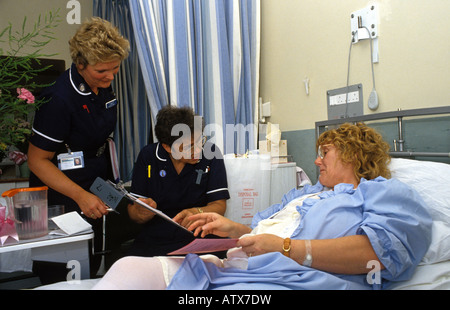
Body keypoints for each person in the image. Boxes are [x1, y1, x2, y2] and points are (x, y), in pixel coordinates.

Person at [93, 123, 432, 290]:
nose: (316, 160)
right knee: (126, 269)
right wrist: (233, 230)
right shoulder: (304, 195)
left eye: (324, 153)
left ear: (354, 154)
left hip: (296, 280)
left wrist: (286, 249)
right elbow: (266, 233)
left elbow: (379, 256)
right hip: (238, 266)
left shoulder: (384, 194)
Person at [27, 17, 130, 276]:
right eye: (102, 71)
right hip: (62, 191)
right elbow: (37, 160)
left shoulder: (104, 88)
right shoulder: (58, 99)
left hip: (94, 178)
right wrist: (80, 196)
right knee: (64, 269)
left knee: (94, 257)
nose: (109, 77)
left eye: (115, 69)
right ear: (80, 63)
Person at [126, 105, 230, 257]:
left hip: (201, 235)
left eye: (200, 141)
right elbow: (133, 211)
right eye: (189, 146)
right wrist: (141, 212)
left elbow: (219, 205)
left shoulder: (211, 154)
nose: (198, 150)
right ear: (167, 147)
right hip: (158, 238)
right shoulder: (148, 157)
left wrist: (196, 212)